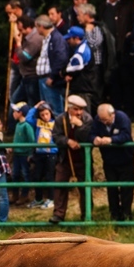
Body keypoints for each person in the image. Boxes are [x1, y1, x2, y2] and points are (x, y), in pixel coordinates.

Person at [49, 94, 94, 224]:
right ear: (69, 108)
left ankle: (86, 214)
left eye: (81, 109)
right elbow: (56, 136)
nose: (79, 112)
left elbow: (86, 138)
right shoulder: (60, 119)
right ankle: (58, 214)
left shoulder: (87, 119)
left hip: (82, 159)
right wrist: (67, 141)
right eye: (76, 109)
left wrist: (79, 126)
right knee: (60, 186)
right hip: (64, 159)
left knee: (85, 188)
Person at [90, 103, 134, 221]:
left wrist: (111, 140)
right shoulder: (97, 120)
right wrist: (95, 139)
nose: (104, 122)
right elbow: (91, 134)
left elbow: (126, 135)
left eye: (106, 119)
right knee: (112, 188)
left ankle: (126, 215)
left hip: (126, 159)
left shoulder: (122, 118)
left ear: (112, 114)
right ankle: (114, 215)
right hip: (109, 161)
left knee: (126, 189)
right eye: (101, 120)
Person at [34, 15, 68, 116]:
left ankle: (58, 130)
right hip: (42, 78)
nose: (36, 29)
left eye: (36, 27)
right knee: (45, 109)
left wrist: (53, 76)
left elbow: (61, 58)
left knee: (54, 109)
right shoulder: (46, 38)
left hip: (49, 79)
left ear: (41, 26)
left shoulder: (56, 38)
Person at [26, 102, 57, 209]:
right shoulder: (38, 122)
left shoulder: (55, 123)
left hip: (51, 153)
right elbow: (28, 118)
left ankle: (51, 199)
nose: (45, 117)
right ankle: (38, 199)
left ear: (50, 113)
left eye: (47, 114)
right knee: (36, 176)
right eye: (42, 114)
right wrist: (35, 107)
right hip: (39, 153)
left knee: (49, 176)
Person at [62, 25, 98, 113]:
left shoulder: (82, 51)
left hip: (83, 89)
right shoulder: (83, 46)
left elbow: (72, 68)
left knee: (83, 115)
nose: (68, 41)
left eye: (70, 39)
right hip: (83, 86)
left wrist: (63, 73)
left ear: (76, 38)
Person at [14, 15, 42, 108]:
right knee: (15, 100)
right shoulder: (27, 38)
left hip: (32, 76)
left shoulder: (34, 40)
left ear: (28, 28)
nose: (20, 33)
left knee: (32, 103)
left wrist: (18, 44)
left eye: (21, 30)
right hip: (26, 76)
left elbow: (25, 57)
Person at [10, 102, 34, 206]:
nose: (13, 113)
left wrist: (30, 153)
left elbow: (31, 140)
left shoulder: (26, 126)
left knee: (25, 174)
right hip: (16, 154)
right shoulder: (17, 125)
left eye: (15, 111)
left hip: (24, 154)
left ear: (21, 113)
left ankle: (24, 195)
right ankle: (15, 194)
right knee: (15, 174)